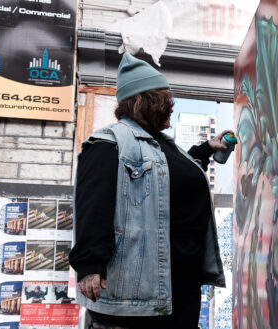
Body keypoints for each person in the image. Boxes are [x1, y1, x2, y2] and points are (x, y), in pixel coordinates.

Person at [69, 53, 227, 329]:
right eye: (166, 102)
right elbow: (93, 204)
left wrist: (206, 150)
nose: (171, 108)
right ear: (148, 102)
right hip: (137, 297)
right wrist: (89, 264)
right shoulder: (108, 143)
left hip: (181, 289)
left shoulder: (167, 146)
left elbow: (171, 182)